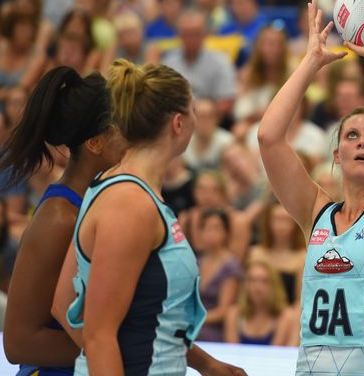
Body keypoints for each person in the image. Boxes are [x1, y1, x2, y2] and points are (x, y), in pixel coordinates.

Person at [257, 0, 364, 374]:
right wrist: (310, 62)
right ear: (337, 153)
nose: (363, 141)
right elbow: (269, 137)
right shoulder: (316, 213)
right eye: (352, 135)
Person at [51, 59, 245, 375]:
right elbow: (100, 335)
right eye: (194, 109)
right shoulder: (131, 203)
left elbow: (66, 304)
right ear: (178, 123)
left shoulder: (119, 186)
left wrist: (206, 364)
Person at [0, 67, 121, 375]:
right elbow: (19, 343)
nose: (132, 135)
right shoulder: (59, 218)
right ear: (96, 143)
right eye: (123, 125)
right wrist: (113, 350)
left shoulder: (99, 201)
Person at [224, 259, 299, 346]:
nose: (258, 288)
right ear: (245, 285)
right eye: (252, 280)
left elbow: (280, 355)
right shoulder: (234, 314)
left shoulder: (287, 317)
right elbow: (231, 353)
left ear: (274, 285)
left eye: (265, 281)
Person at [197, 208, 243, 342]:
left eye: (216, 228)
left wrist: (193, 320)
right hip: (194, 323)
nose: (210, 233)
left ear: (226, 232)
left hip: (216, 329)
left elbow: (223, 311)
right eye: (206, 228)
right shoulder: (196, 262)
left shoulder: (231, 266)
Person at [248, 199, 307, 306]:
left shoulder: (302, 257)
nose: (281, 226)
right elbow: (247, 295)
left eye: (286, 220)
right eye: (277, 220)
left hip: (288, 316)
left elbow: (300, 301)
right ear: (268, 222)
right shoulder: (256, 253)